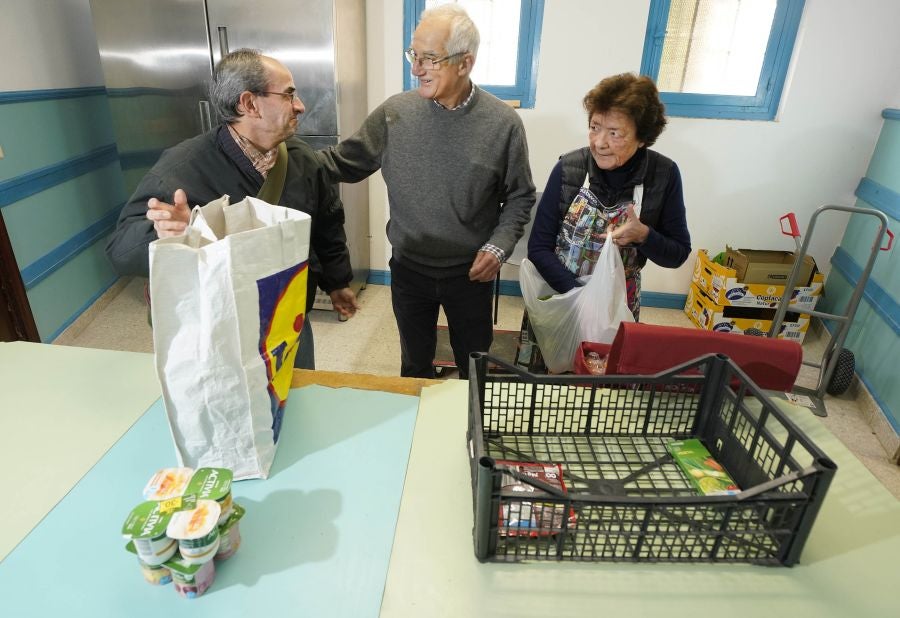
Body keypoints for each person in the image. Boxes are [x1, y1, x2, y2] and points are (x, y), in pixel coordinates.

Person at [315, 4, 535, 379]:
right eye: (414, 55)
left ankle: (472, 431)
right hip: (409, 269)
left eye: (429, 59)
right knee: (414, 365)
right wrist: (272, 154)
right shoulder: (394, 114)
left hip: (470, 275)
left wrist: (498, 247)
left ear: (464, 63)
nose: (416, 68)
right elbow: (338, 164)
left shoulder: (503, 124)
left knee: (474, 366)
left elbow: (520, 196)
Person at [105, 48, 359, 369]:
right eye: (289, 95)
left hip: (287, 316)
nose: (300, 105)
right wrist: (178, 234)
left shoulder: (301, 158)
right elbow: (121, 251)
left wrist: (337, 282)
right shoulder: (181, 169)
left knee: (298, 398)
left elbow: (326, 225)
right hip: (219, 327)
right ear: (249, 104)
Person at [519, 73, 691, 371]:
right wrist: (582, 298)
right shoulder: (569, 169)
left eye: (615, 133)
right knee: (546, 384)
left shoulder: (663, 176)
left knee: (603, 390)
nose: (600, 142)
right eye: (594, 127)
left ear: (642, 137)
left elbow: (677, 254)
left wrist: (644, 235)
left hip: (617, 308)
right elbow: (538, 247)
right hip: (561, 297)